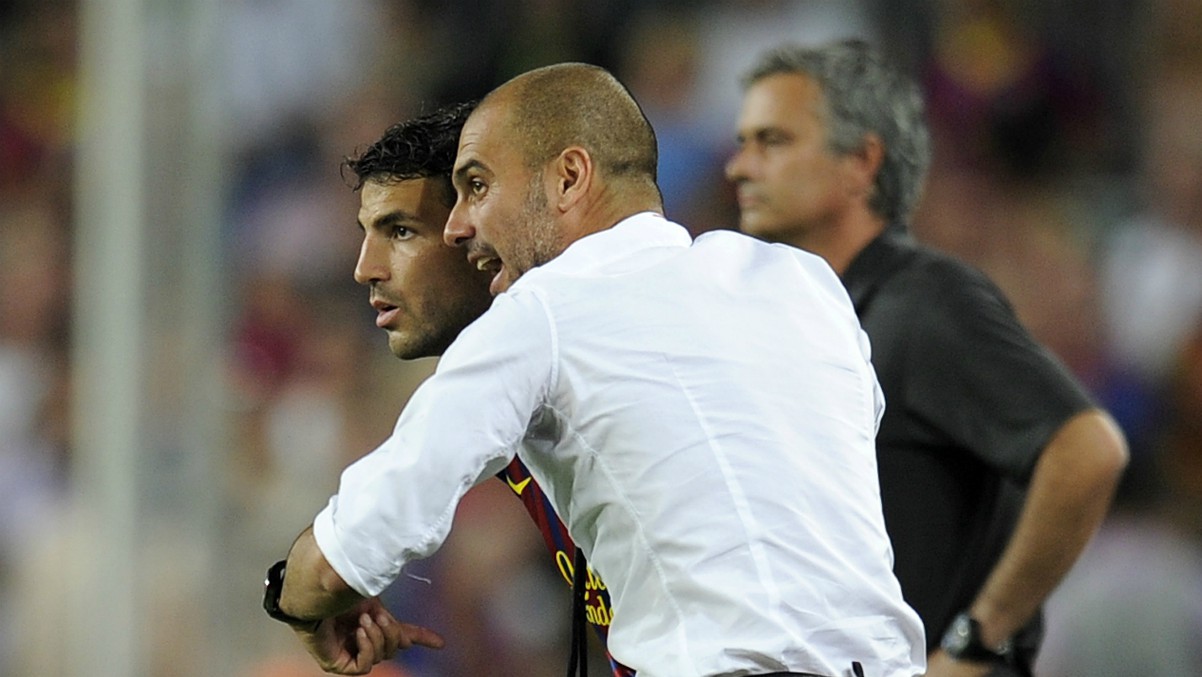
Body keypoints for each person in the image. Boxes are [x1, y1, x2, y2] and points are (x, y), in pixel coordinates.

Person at [265, 62, 926, 677]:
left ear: (569, 176)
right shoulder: (797, 278)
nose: (461, 226)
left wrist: (294, 601)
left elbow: (354, 544)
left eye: (477, 186)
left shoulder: (544, 313)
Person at [725, 39, 1129, 677]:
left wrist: (977, 640)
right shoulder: (817, 320)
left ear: (860, 162)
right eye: (742, 141)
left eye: (771, 141)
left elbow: (1086, 450)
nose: (738, 167)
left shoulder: (925, 302)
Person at [341, 101, 633, 676]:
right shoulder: (510, 396)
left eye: (400, 231)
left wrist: (308, 596)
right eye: (366, 235)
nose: (366, 267)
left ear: (473, 231)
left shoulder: (598, 356)